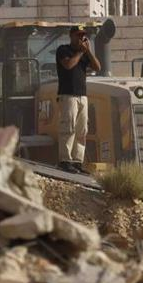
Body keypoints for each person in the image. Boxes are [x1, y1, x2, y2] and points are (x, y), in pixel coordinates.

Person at [56, 25, 100, 174]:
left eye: (83, 36)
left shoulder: (83, 53)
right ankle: (65, 160)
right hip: (68, 95)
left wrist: (88, 51)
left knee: (82, 130)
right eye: (78, 35)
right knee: (68, 127)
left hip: (82, 96)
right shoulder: (63, 50)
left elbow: (97, 67)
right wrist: (81, 52)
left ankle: (77, 161)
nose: (81, 38)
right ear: (71, 36)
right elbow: (68, 65)